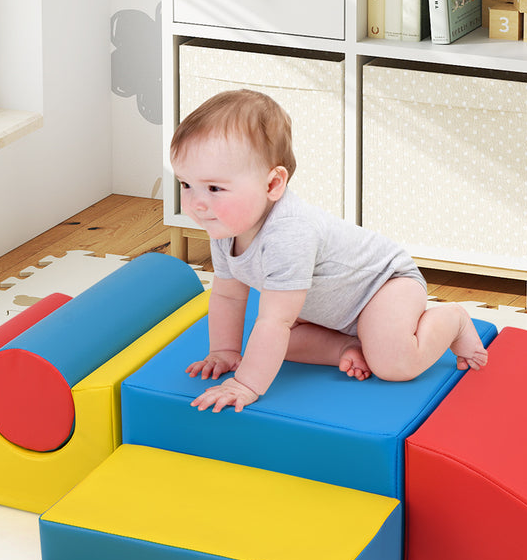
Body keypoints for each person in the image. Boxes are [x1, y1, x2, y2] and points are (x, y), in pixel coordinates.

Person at [170, 88, 488, 413]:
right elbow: (228, 295)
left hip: (383, 287)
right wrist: (225, 351)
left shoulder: (289, 233)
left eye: (213, 188)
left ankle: (453, 319)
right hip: (329, 312)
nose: (196, 203)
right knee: (276, 344)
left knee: (394, 364)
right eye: (185, 184)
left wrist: (246, 384)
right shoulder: (225, 224)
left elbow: (276, 319)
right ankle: (346, 347)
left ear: (272, 185)